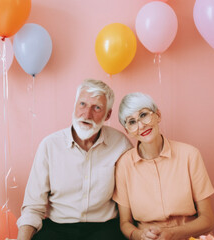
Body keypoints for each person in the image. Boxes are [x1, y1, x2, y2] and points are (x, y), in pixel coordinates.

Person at [15, 79, 133, 240]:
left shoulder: (121, 144)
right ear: (75, 105)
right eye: (82, 104)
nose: (87, 114)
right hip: (58, 229)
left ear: (108, 115)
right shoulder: (50, 145)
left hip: (104, 230)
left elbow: (132, 199)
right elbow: (33, 208)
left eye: (97, 107)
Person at [113, 92, 214, 240]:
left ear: (158, 115)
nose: (141, 125)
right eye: (132, 122)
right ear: (127, 130)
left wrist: (173, 234)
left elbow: (208, 219)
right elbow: (125, 222)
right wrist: (139, 235)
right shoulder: (124, 165)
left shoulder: (190, 155)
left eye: (143, 115)